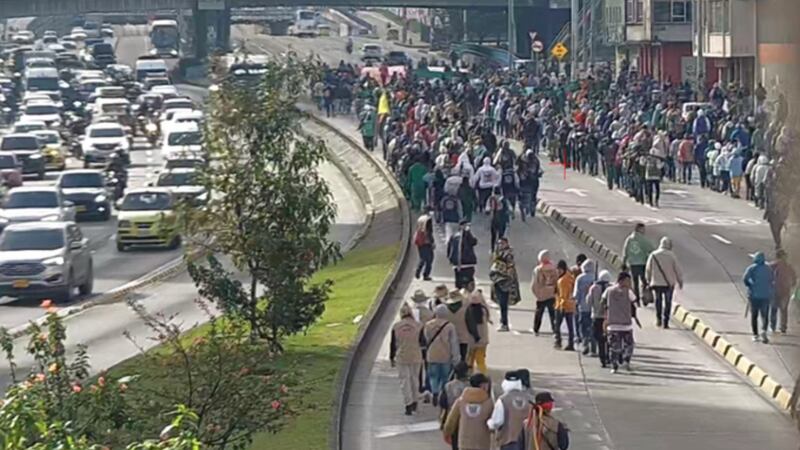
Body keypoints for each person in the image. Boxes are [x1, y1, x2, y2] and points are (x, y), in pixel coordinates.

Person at [389, 303, 426, 415]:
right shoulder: (419, 325)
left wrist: (391, 357)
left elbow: (393, 344)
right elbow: (423, 342)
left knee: (404, 381)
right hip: (416, 355)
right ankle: (415, 401)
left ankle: (408, 404)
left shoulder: (396, 326)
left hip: (401, 356)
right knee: (415, 379)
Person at [443, 373, 494, 450]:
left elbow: (451, 420)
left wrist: (447, 433)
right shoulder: (489, 403)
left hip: (464, 442)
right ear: (483, 386)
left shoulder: (461, 401)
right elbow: (494, 422)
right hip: (482, 443)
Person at [425, 304, 461, 406]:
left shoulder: (428, 325)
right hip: (445, 356)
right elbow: (453, 343)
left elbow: (427, 338)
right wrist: (456, 358)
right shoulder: (449, 326)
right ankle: (442, 394)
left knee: (433, 376)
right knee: (445, 377)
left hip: (432, 355)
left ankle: (434, 392)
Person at [602, 272, 638, 373]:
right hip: (626, 324)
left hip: (612, 324)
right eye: (628, 281)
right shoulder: (629, 292)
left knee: (614, 347)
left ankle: (614, 365)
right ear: (621, 280)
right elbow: (635, 304)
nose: (629, 283)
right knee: (629, 345)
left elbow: (602, 301)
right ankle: (626, 362)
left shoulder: (608, 290)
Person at [645, 237, 684, 329]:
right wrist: (680, 281)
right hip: (669, 283)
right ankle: (666, 322)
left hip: (656, 283)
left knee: (658, 301)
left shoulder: (653, 255)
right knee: (668, 302)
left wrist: (648, 279)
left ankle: (658, 319)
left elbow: (648, 269)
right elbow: (677, 269)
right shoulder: (672, 255)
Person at [487, 371, 530, 450]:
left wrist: (490, 424)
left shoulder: (502, 400)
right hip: (526, 441)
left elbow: (497, 421)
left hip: (508, 440)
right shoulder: (528, 399)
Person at [743, 252, 775, 343]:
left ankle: (755, 334)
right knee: (765, 315)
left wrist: (750, 285)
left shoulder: (752, 268)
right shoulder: (768, 268)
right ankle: (764, 330)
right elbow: (772, 279)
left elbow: (745, 279)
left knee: (754, 315)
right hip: (766, 295)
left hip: (754, 295)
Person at [490, 237, 520, 332]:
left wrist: (508, 279)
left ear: (506, 244)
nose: (500, 245)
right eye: (499, 243)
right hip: (497, 280)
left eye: (502, 243)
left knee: (503, 303)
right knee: (500, 301)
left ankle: (504, 323)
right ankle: (503, 321)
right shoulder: (498, 253)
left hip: (505, 281)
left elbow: (510, 268)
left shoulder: (508, 255)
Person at [622, 223, 655, 305]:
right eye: (643, 229)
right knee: (644, 281)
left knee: (635, 282)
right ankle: (645, 297)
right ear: (639, 229)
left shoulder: (629, 239)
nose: (644, 231)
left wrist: (624, 262)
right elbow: (651, 249)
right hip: (643, 263)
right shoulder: (643, 239)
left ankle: (636, 300)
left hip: (632, 263)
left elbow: (625, 251)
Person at [439, 361, 470, 450]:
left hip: (453, 418)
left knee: (455, 442)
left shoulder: (448, 386)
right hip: (468, 418)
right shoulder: (471, 385)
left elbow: (443, 403)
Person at [587, 270, 613, 366]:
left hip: (597, 317)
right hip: (609, 317)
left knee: (600, 339)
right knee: (609, 338)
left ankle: (602, 358)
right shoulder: (612, 288)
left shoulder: (593, 288)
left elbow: (588, 301)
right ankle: (609, 356)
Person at [531, 250, 559, 336]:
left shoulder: (538, 269)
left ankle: (536, 329)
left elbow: (534, 283)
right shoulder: (554, 269)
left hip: (541, 294)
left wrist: (537, 293)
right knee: (553, 314)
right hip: (551, 294)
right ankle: (555, 330)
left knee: (539, 313)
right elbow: (557, 281)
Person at [573, 259, 597, 355]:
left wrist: (576, 303)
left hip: (583, 307)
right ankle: (594, 348)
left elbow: (576, 294)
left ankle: (585, 343)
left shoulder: (580, 278)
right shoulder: (596, 278)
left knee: (583, 327)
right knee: (593, 328)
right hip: (594, 308)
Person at [770, 249, 797, 334]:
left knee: (774, 309)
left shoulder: (772, 266)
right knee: (783, 309)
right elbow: (794, 278)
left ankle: (773, 326)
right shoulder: (788, 266)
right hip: (785, 290)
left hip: (774, 290)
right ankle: (783, 327)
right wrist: (791, 285)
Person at [447, 220, 479, 290]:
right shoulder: (457, 236)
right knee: (463, 282)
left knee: (464, 282)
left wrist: (450, 259)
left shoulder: (460, 236)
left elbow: (473, 242)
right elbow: (450, 247)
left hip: (464, 264)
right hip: (463, 263)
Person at [465, 290, 491, 374]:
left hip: (472, 340)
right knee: (480, 360)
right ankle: (484, 375)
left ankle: (469, 375)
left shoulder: (468, 311)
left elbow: (470, 326)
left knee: (470, 360)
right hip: (483, 340)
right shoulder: (484, 310)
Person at [554, 260, 576, 350]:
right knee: (570, 327)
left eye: (559, 270)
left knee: (557, 325)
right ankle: (571, 343)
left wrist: (561, 306)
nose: (558, 272)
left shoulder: (562, 281)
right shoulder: (571, 277)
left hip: (563, 306)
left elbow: (563, 295)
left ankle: (558, 341)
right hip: (571, 305)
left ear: (563, 269)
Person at [445, 289, 471, 361]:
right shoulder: (465, 310)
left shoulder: (445, 310)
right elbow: (470, 324)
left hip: (448, 337)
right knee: (463, 357)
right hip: (463, 338)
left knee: (449, 357)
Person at [488, 187, 511, 251]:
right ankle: (500, 248)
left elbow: (489, 209)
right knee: (501, 235)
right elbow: (509, 209)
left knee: (493, 235)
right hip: (502, 219)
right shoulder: (504, 199)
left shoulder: (491, 198)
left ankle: (492, 248)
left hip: (494, 218)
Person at [414, 210, 435, 280]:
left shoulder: (420, 219)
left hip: (419, 240)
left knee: (422, 258)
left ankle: (417, 272)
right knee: (429, 259)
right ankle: (425, 275)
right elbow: (429, 232)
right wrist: (432, 242)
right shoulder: (428, 219)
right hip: (426, 241)